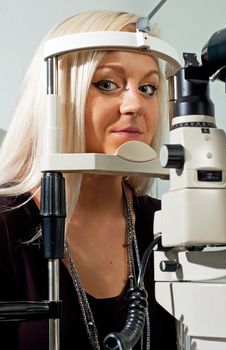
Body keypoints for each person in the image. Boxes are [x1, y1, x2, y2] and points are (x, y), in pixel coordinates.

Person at [0, 10, 177, 350]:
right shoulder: (7, 225)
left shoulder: (170, 224)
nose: (135, 104)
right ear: (55, 98)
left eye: (148, 87)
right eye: (108, 84)